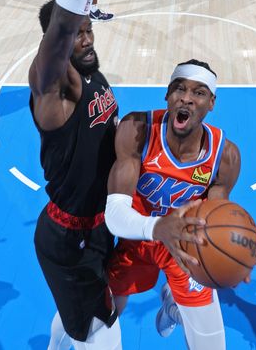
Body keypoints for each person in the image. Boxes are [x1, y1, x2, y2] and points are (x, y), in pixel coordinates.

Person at [30, 0, 148, 350]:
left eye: (86, 30)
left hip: (99, 225)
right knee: (100, 334)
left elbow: (108, 136)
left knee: (76, 324)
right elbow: (60, 25)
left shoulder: (94, 73)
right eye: (76, 33)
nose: (86, 37)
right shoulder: (53, 88)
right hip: (68, 238)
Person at [105, 60, 247, 350]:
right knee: (98, 318)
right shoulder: (138, 130)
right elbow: (115, 214)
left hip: (183, 250)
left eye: (199, 92)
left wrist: (234, 255)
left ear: (212, 103)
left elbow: (214, 219)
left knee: (213, 345)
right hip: (136, 236)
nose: (186, 97)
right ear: (167, 96)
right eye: (179, 89)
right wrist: (158, 229)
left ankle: (174, 305)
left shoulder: (225, 156)